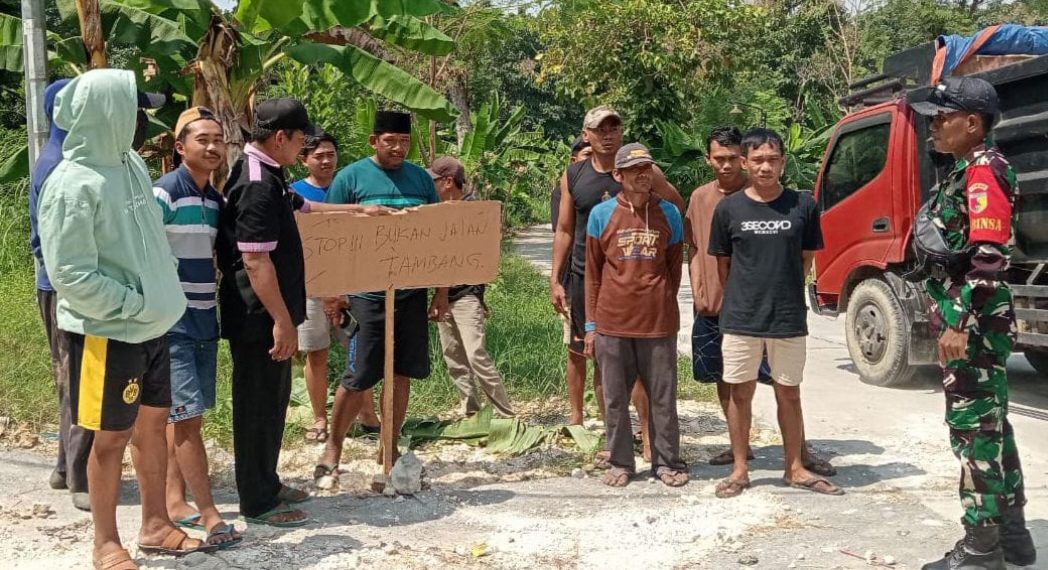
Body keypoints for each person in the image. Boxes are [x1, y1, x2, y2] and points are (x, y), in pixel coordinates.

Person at [38, 69, 215, 570]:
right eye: (134, 110)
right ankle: (105, 543)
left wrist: (161, 292)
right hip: (107, 330)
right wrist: (136, 303)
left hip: (155, 326)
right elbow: (70, 273)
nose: (141, 120)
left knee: (153, 426)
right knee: (109, 436)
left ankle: (156, 525)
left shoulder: (131, 163)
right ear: (108, 113)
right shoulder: (72, 184)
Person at [217, 98, 387, 527]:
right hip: (259, 318)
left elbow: (304, 208)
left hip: (273, 314)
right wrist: (281, 320)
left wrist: (358, 210)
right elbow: (255, 261)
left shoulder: (270, 173)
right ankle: (256, 501)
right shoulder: (255, 182)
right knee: (257, 405)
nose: (303, 150)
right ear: (281, 138)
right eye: (300, 141)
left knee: (274, 401)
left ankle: (268, 482)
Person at [910, 76, 1035, 570]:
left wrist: (957, 322)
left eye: (942, 118)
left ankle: (981, 549)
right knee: (993, 427)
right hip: (976, 317)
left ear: (972, 123)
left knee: (973, 430)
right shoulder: (968, 169)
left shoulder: (983, 172)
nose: (934, 126)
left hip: (974, 321)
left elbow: (988, 258)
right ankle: (1013, 537)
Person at [685, 127, 834, 476]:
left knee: (787, 389)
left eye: (771, 160)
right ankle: (740, 463)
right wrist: (722, 294)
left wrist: (780, 288)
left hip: (784, 314)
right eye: (757, 160)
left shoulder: (801, 205)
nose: (764, 167)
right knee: (736, 387)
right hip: (734, 312)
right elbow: (716, 261)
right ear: (745, 162)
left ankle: (797, 461)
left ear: (782, 162)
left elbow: (805, 260)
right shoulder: (719, 205)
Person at [314, 110, 448, 482]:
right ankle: (334, 448)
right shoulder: (350, 177)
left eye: (404, 141)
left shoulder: (421, 180)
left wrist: (440, 294)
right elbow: (331, 237)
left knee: (402, 372)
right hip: (366, 294)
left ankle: (388, 446)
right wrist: (333, 293)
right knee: (360, 374)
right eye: (390, 141)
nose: (398, 148)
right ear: (374, 141)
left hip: (409, 294)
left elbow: (439, 238)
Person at [550, 106, 684, 465]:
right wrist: (556, 277)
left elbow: (675, 212)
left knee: (647, 373)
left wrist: (660, 291)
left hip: (643, 289)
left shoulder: (646, 170)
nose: (608, 134)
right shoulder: (574, 174)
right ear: (586, 134)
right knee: (600, 362)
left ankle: (649, 438)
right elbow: (564, 230)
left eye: (615, 127)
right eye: (600, 129)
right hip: (588, 277)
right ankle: (610, 440)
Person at [153, 107, 241, 548]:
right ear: (180, 147)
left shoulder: (215, 200)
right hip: (172, 324)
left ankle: (175, 499)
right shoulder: (164, 193)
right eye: (201, 139)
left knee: (185, 418)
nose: (211, 146)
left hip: (204, 318)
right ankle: (209, 514)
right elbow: (141, 252)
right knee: (187, 419)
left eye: (218, 139)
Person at [583, 143, 688, 488]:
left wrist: (657, 300)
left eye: (647, 168)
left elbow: (674, 270)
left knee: (663, 396)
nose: (643, 175)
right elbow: (593, 274)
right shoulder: (602, 215)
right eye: (635, 170)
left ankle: (666, 461)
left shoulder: (669, 213)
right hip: (612, 323)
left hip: (658, 323)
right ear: (619, 175)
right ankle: (620, 462)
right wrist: (591, 326)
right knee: (615, 398)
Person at [290, 129, 381, 443]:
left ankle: (367, 414)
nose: (326, 161)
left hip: (352, 288)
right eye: (318, 156)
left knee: (360, 352)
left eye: (331, 154)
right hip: (311, 288)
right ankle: (319, 418)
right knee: (316, 354)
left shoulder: (350, 189)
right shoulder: (294, 194)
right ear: (304, 160)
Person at [28, 78, 93, 512]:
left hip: (55, 285)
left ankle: (64, 467)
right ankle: (81, 475)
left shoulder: (58, 156)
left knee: (69, 379)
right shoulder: (61, 165)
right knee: (82, 380)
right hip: (68, 288)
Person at [429, 156, 515, 417]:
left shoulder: (472, 213)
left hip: (465, 295)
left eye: (434, 180)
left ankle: (506, 413)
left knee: (475, 354)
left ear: (447, 182)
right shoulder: (437, 211)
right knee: (453, 357)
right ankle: (472, 412)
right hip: (443, 294)